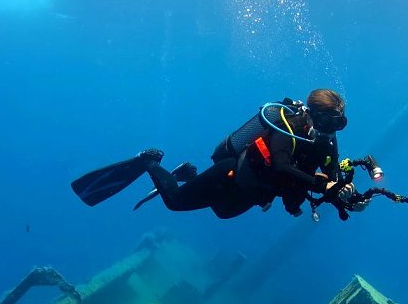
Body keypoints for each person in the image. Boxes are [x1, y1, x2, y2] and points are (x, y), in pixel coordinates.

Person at [71, 89, 351, 220]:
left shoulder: (325, 143)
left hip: (250, 191)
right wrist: (319, 183)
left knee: (222, 212)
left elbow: (330, 176)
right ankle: (150, 161)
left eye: (336, 123)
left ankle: (188, 175)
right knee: (176, 203)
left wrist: (344, 191)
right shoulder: (288, 127)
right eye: (327, 121)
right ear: (313, 114)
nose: (330, 129)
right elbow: (280, 166)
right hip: (231, 173)